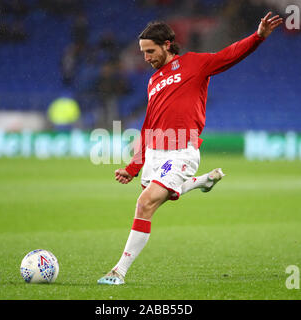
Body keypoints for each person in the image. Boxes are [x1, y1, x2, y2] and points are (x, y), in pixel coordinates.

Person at [98, 12, 283, 285]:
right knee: (158, 196)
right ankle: (203, 182)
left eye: (150, 51)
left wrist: (257, 37)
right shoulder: (153, 81)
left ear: (168, 44)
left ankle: (118, 271)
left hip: (181, 150)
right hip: (157, 154)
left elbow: (228, 55)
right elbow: (148, 126)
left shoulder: (195, 63)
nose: (146, 57)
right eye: (143, 52)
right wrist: (133, 167)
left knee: (146, 202)